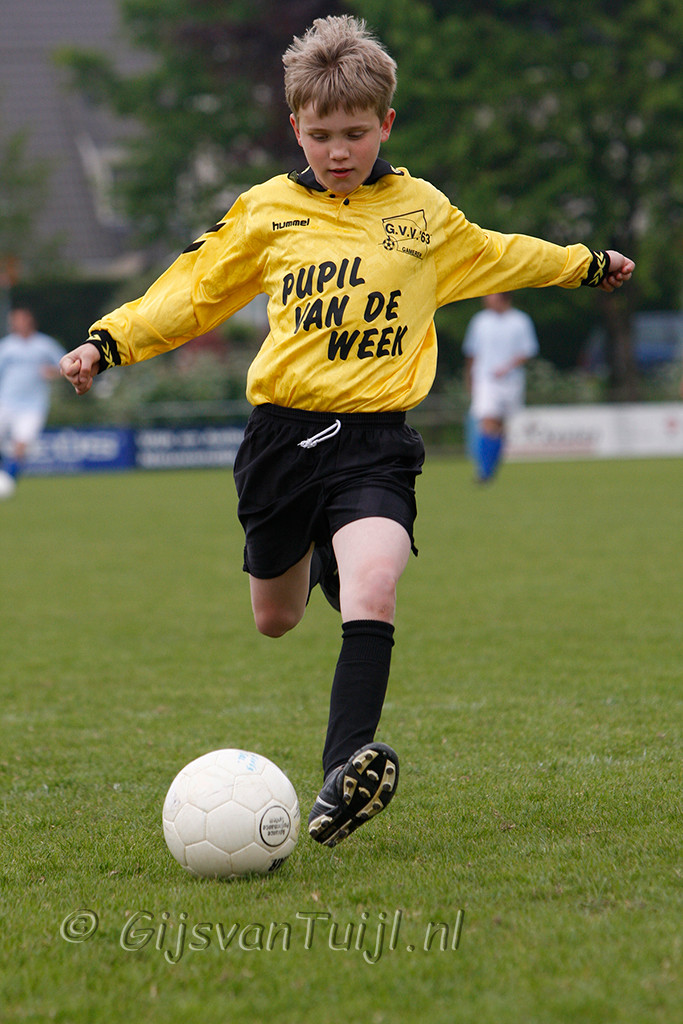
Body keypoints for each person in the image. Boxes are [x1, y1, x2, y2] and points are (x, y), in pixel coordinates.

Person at [59, 15, 635, 848]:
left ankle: (342, 775)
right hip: (282, 443)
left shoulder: (422, 213)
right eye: (322, 134)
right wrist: (105, 342)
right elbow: (189, 293)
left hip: (374, 444)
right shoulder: (266, 211)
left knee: (374, 587)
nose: (339, 151)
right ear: (296, 126)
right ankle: (320, 552)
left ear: (385, 124)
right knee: (276, 618)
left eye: (356, 134)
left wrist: (585, 262)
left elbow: (502, 253)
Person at [463, 292, 538, 482]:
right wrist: (469, 378)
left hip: (511, 381)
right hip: (486, 379)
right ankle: (484, 469)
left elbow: (528, 350)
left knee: (500, 426)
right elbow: (471, 353)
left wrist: (507, 367)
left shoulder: (520, 320)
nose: (486, 299)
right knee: (487, 420)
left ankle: (491, 465)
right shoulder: (480, 321)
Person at [0, 307, 65, 495]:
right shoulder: (6, 346)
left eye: (22, 319)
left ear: (30, 321)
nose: (19, 323)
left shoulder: (45, 345)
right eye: (15, 320)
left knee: (21, 445)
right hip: (6, 402)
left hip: (33, 406)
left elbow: (65, 366)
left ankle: (8, 479)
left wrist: (53, 372)